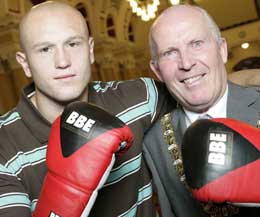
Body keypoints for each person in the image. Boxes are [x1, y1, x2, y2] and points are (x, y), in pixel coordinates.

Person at [0, 1, 175, 216]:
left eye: (73, 44)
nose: (63, 61)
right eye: (45, 49)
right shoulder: (3, 146)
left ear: (90, 50)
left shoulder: (140, 98)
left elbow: (200, 94)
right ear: (24, 63)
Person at [143, 4, 260, 217]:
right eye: (170, 52)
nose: (186, 63)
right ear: (157, 70)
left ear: (222, 50)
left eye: (196, 43)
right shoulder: (154, 142)